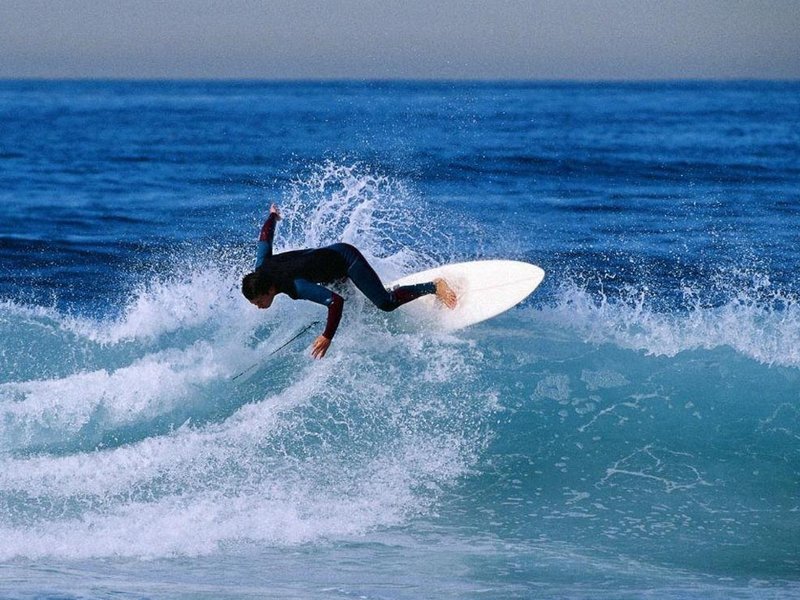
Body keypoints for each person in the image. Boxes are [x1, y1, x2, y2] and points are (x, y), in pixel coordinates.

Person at [241, 204, 457, 358]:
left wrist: (327, 336)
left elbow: (336, 301)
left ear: (270, 289)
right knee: (357, 309)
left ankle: (434, 285)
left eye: (259, 301)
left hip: (346, 260)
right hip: (329, 268)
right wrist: (272, 216)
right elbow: (264, 237)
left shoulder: (295, 286)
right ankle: (384, 290)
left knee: (385, 304)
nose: (259, 307)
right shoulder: (261, 268)